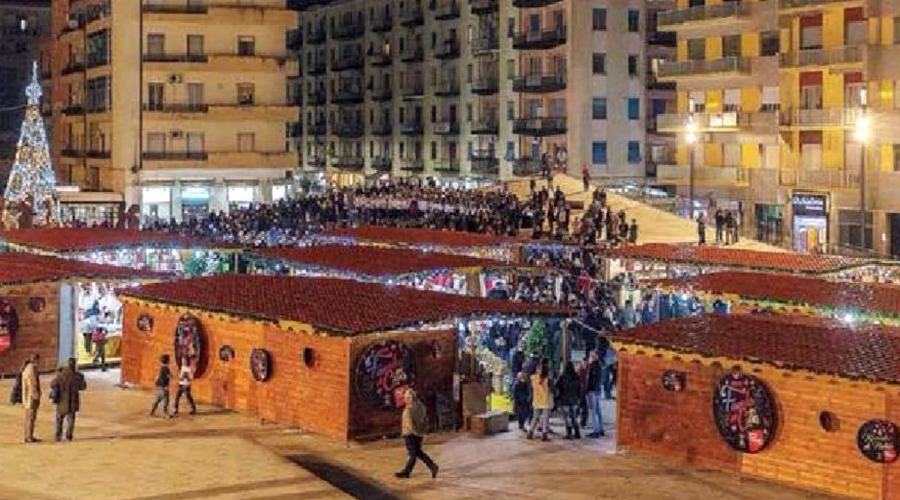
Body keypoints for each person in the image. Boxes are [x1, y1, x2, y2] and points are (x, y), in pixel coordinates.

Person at [395, 389, 439, 479]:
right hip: (419, 433)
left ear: (410, 398)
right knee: (418, 452)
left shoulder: (409, 408)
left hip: (410, 433)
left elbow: (409, 423)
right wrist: (423, 430)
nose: (405, 399)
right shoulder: (421, 406)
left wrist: (412, 431)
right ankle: (432, 466)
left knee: (413, 453)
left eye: (406, 398)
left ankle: (407, 472)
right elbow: (425, 419)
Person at [50, 358, 87, 442]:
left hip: (61, 400)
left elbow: (52, 384)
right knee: (71, 419)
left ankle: (58, 435)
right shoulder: (77, 376)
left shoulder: (61, 374)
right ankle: (69, 435)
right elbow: (83, 387)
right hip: (72, 401)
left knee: (59, 419)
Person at [528, 360, 553, 441]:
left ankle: (530, 432)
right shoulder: (548, 379)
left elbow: (531, 388)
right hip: (545, 400)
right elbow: (551, 390)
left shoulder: (533, 378)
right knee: (545, 418)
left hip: (536, 400)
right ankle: (544, 434)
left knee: (535, 417)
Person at [555, 361, 581, 439]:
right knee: (574, 417)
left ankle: (569, 433)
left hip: (564, 399)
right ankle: (577, 432)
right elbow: (579, 389)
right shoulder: (576, 376)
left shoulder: (563, 377)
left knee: (567, 417)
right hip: (574, 399)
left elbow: (557, 386)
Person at [585, 351, 605, 438]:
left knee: (594, 411)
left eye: (591, 356)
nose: (589, 358)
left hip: (592, 390)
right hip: (597, 390)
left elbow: (590, 380)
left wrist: (587, 390)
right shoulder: (599, 365)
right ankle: (600, 429)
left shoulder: (593, 366)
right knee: (598, 411)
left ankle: (596, 430)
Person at [22, 354, 41, 443]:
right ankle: (29, 436)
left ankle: (28, 435)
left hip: (27, 397)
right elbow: (33, 384)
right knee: (31, 418)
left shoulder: (27, 368)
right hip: (31, 397)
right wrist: (36, 396)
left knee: (28, 418)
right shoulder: (32, 370)